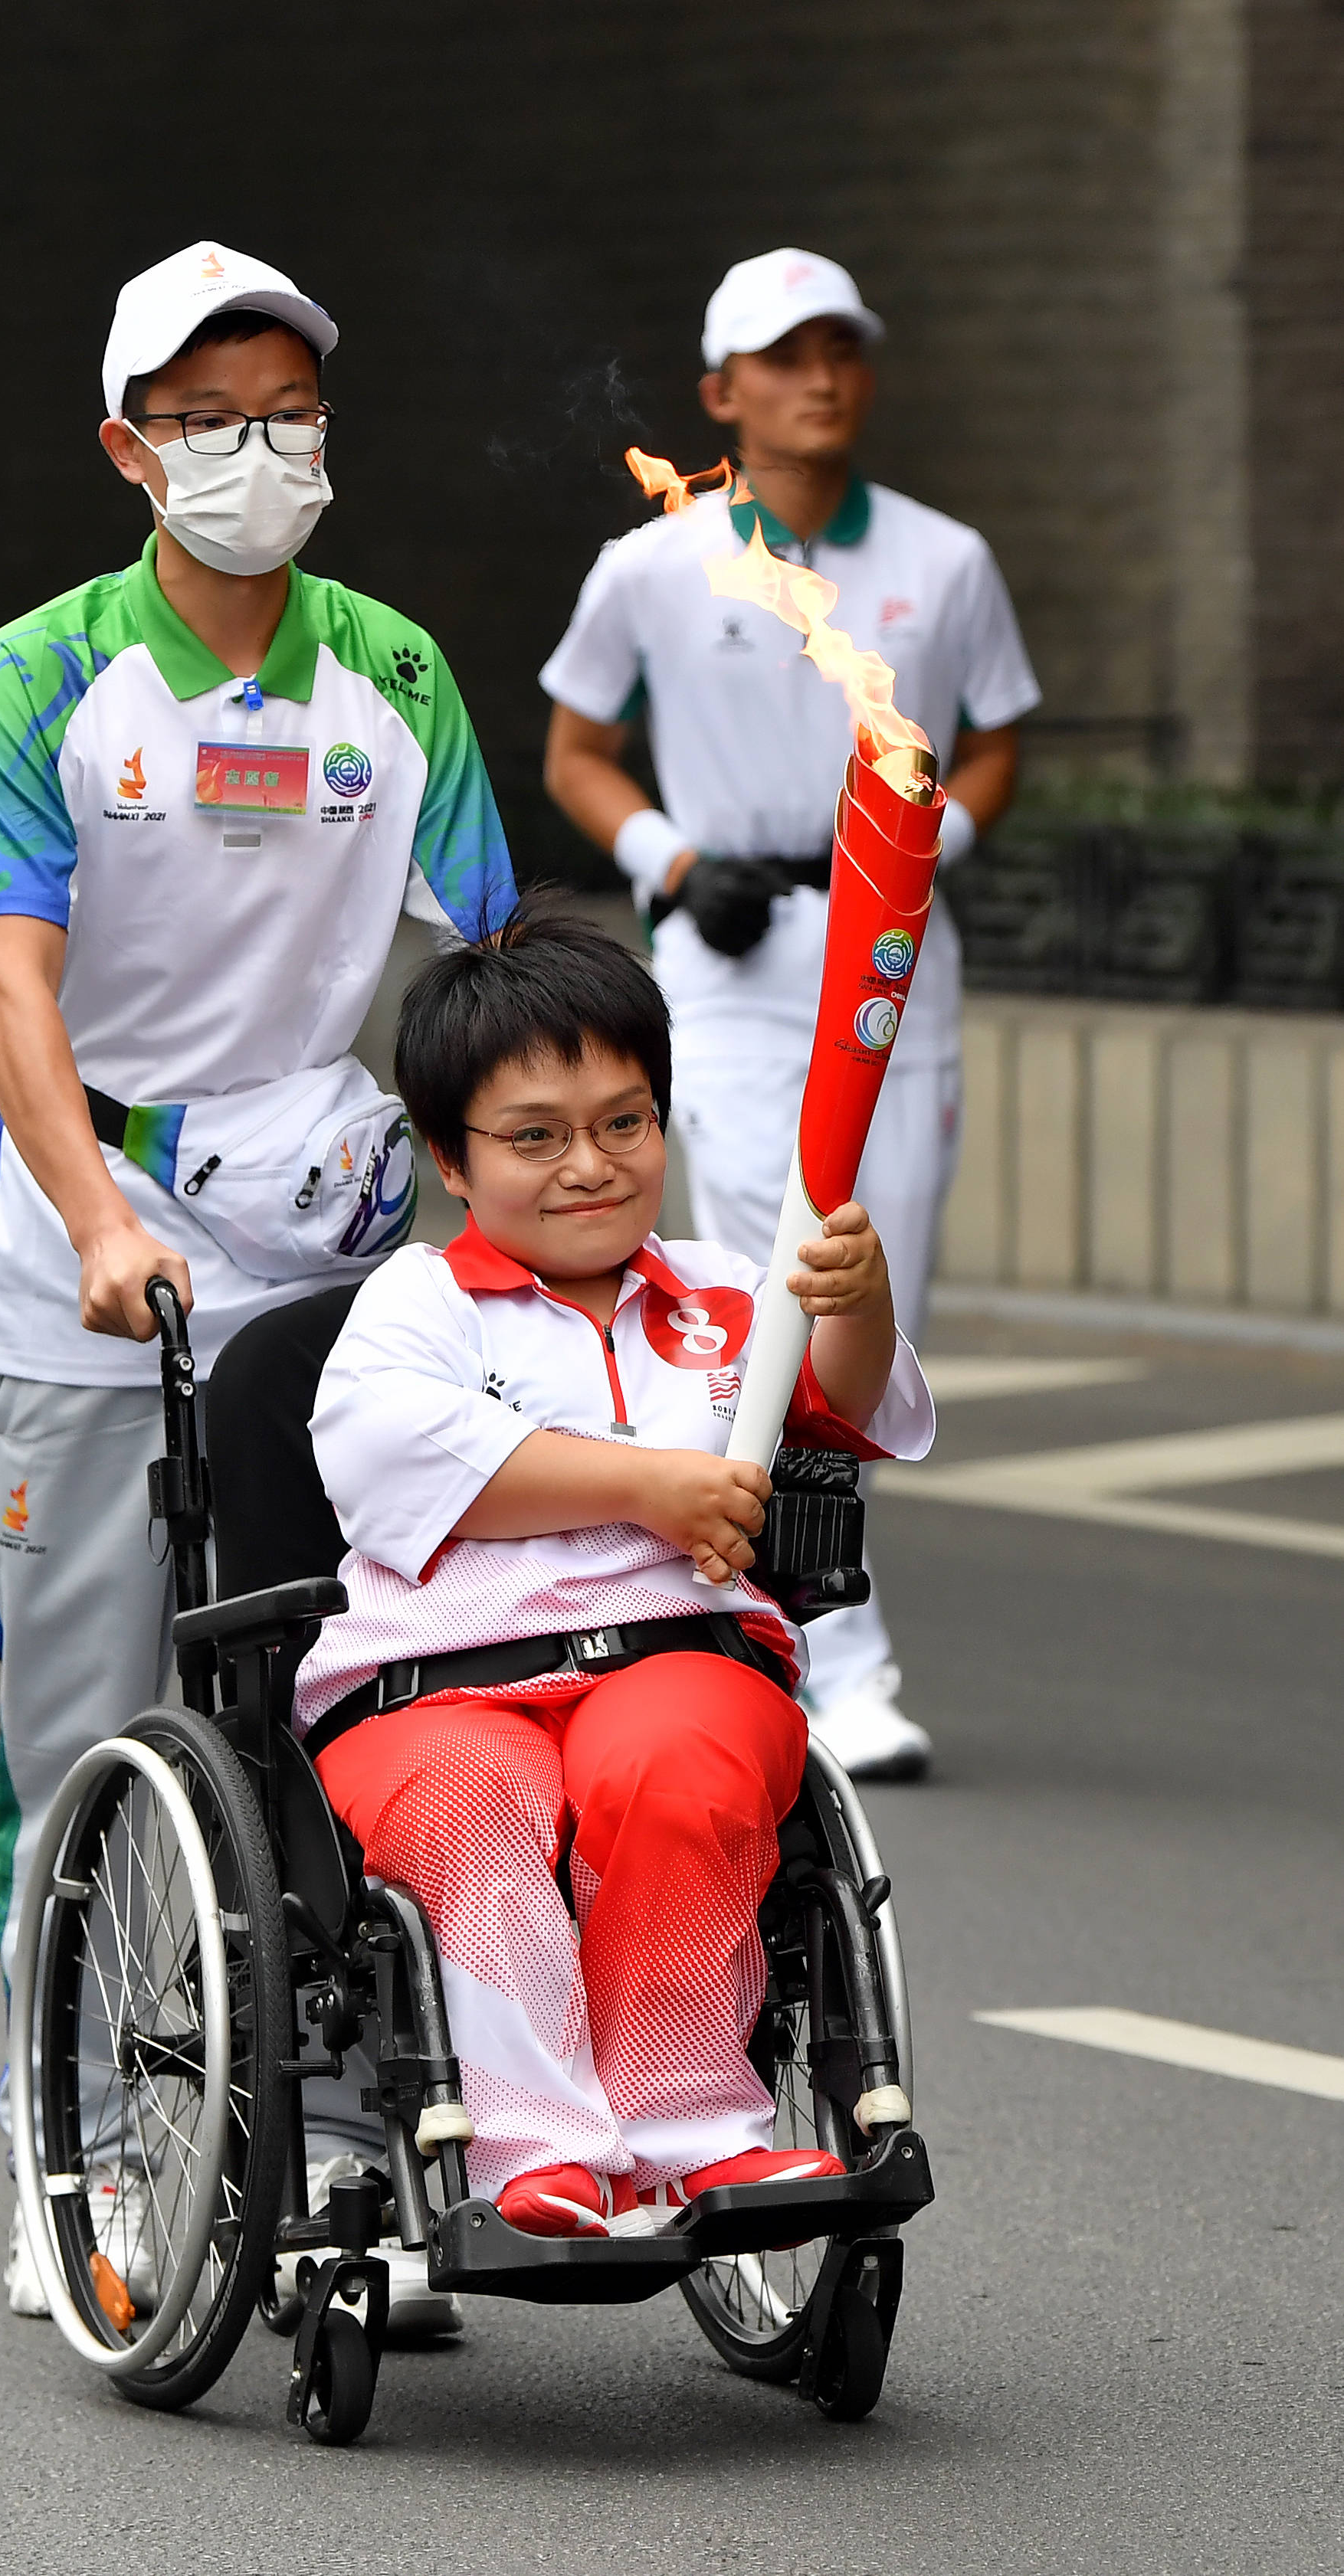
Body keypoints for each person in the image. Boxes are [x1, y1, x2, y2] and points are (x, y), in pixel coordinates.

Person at [0, 241, 516, 2314]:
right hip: (85, 1237)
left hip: (332, 1233)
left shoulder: (403, 672)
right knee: (86, 1715)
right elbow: (9, 969)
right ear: (129, 449)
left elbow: (472, 976)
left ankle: (352, 2139)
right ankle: (74, 2140)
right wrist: (98, 1212)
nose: (256, 452)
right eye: (208, 421)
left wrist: (504, 1223)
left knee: (337, 1694)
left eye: (287, 416)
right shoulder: (42, 671)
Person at [291, 905, 933, 2230]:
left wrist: (855, 1295)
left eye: (623, 1123)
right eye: (534, 1137)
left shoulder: (723, 1297)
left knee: (674, 1764)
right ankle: (535, 2154)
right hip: (433, 1691)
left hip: (673, 1659)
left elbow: (851, 1404)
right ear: (450, 1160)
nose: (588, 1164)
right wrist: (657, 1485)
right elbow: (402, 1456)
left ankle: (695, 2127)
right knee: (474, 1800)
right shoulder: (415, 1304)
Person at [541, 247, 1040, 1781]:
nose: (818, 376)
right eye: (783, 355)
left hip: (889, 959)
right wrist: (672, 863)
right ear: (719, 393)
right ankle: (835, 1651)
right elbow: (575, 749)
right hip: (735, 960)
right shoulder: (656, 561)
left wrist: (911, 855)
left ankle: (790, 1601)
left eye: (840, 350)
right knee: (783, 1272)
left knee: (874, 1307)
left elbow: (998, 740)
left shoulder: (946, 561)